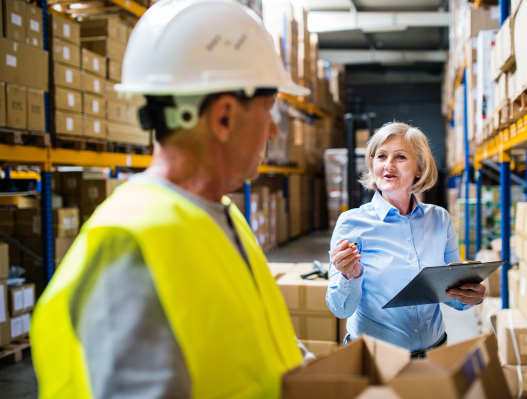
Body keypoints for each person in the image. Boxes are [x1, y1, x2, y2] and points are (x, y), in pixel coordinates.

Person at [30, 1, 312, 398]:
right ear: (224, 118)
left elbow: (255, 348)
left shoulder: (222, 215)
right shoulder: (131, 241)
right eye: (269, 111)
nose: (273, 132)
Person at [327, 122, 486, 357]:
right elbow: (340, 309)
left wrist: (470, 295)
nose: (388, 165)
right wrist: (349, 276)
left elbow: (453, 294)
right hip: (374, 358)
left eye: (400, 157)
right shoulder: (352, 223)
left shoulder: (439, 219)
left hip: (434, 354)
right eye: (381, 156)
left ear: (419, 168)